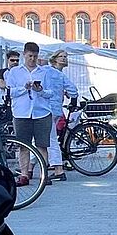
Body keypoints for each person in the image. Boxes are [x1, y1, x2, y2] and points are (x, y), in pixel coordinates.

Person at [4, 41, 60, 186]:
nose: (32, 59)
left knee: (42, 145)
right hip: (21, 113)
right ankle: (24, 175)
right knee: (24, 145)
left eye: (35, 56)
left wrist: (39, 90)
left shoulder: (44, 72)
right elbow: (10, 92)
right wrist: (25, 88)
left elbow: (50, 93)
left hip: (41, 113)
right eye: (30, 56)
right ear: (24, 54)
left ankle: (43, 174)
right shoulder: (15, 72)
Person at [41, 50, 79, 181]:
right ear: (55, 59)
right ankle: (30, 166)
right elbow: (73, 89)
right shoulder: (60, 75)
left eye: (65, 57)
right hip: (56, 109)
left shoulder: (48, 71)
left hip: (46, 109)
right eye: (61, 57)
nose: (64, 59)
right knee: (43, 138)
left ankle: (58, 169)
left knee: (49, 139)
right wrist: (73, 99)